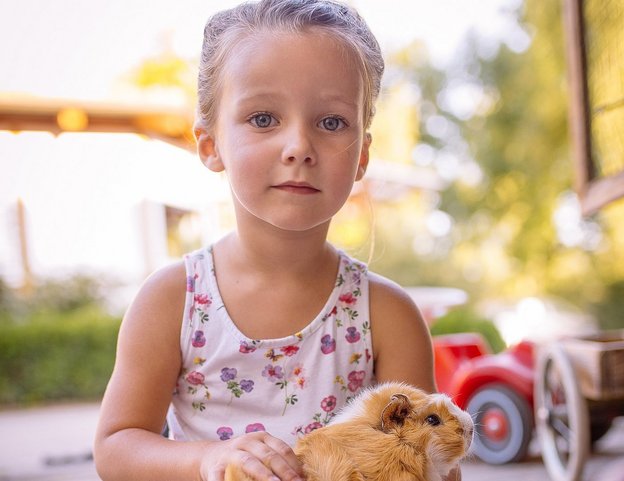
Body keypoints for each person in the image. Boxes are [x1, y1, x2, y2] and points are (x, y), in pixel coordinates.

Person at [94, 1, 460, 480]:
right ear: (210, 145)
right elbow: (116, 449)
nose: (299, 147)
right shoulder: (171, 301)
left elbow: (434, 463)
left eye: (331, 122)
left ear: (363, 154)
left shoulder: (387, 315)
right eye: (264, 118)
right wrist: (210, 459)